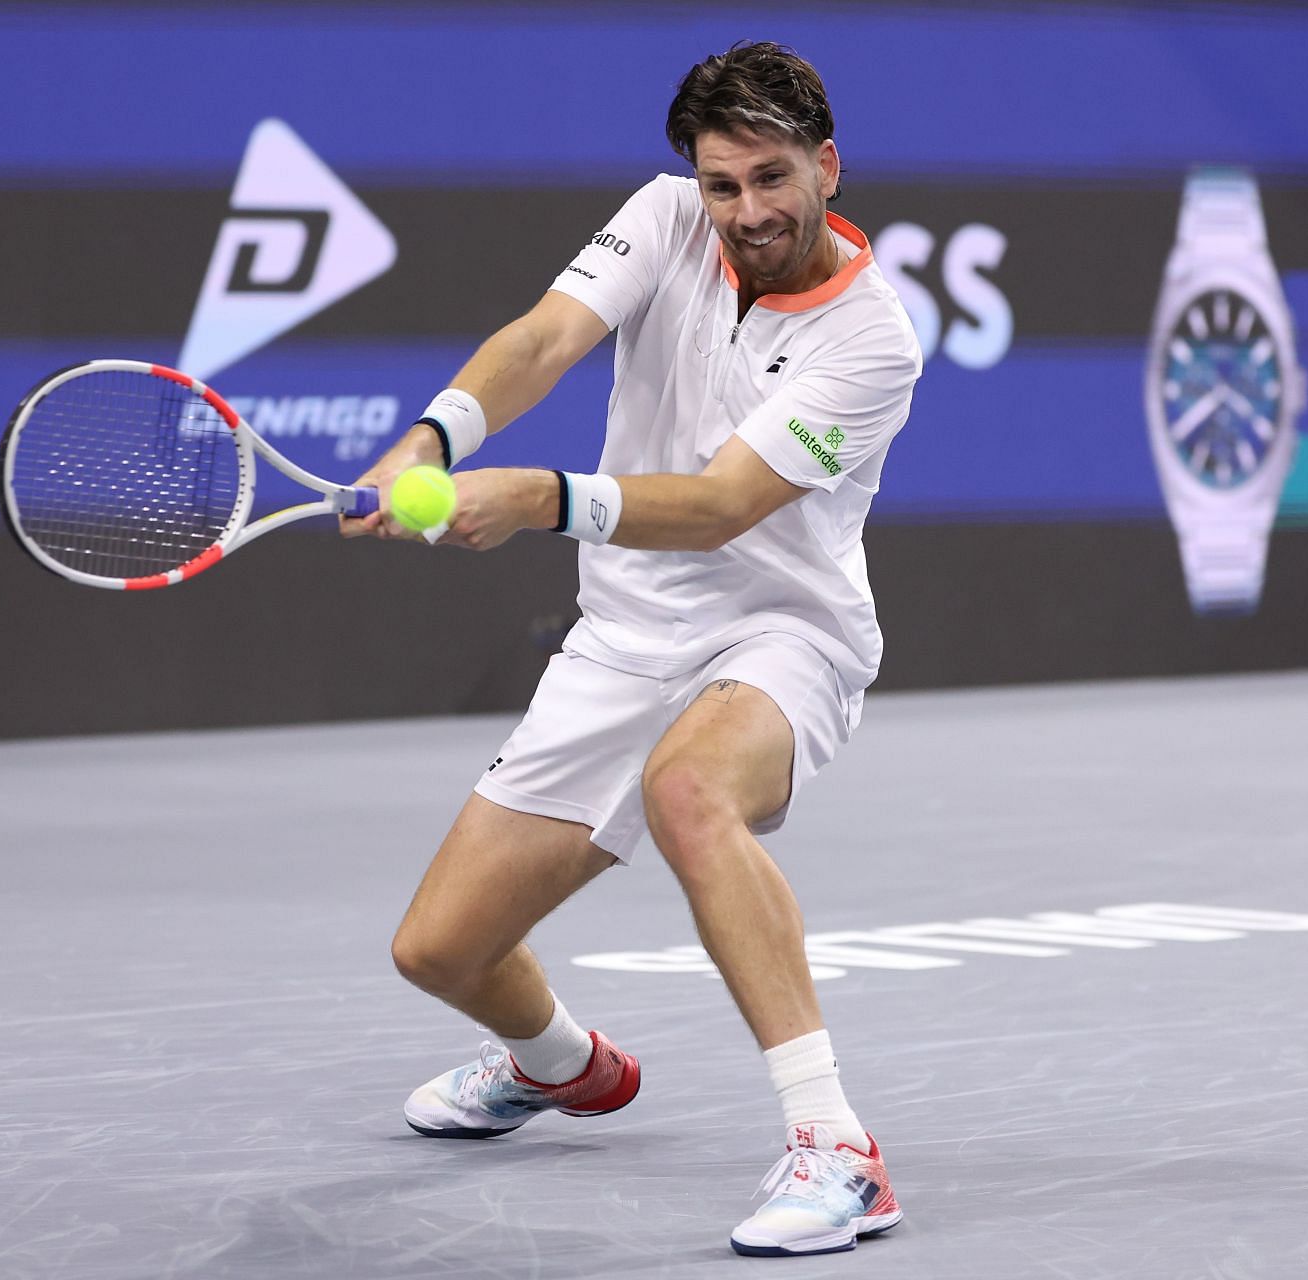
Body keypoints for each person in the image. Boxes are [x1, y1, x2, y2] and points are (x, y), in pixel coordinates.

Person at [341, 41, 921, 1258]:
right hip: (627, 635)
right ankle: (561, 1069)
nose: (749, 211)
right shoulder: (664, 221)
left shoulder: (874, 340)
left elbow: (719, 506)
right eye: (724, 184)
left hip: (786, 632)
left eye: (773, 177)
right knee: (438, 948)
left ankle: (837, 1148)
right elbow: (546, 338)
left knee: (686, 790)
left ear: (827, 165)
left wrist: (541, 497)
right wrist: (435, 437)